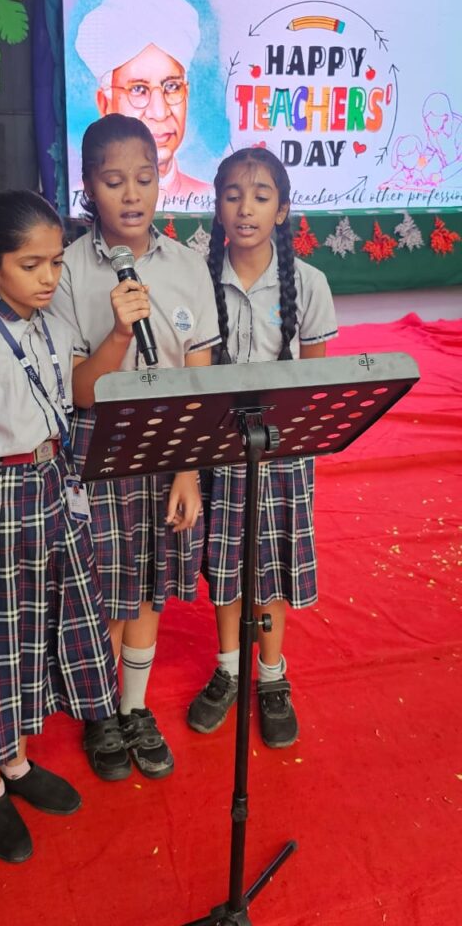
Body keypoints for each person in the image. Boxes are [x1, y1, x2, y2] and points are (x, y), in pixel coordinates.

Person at [0, 190, 118, 863]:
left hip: (51, 485)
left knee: (36, 627)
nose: (48, 278)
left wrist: (121, 334)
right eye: (31, 264)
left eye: (56, 262)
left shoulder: (52, 327)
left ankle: (16, 762)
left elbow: (79, 389)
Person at [49, 113, 221, 781]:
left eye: (144, 179)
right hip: (98, 446)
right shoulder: (67, 270)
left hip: (168, 442)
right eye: (114, 181)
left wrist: (188, 470)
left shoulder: (187, 266)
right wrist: (119, 334)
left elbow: (197, 378)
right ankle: (98, 711)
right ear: (88, 187)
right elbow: (77, 390)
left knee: (148, 586)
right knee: (101, 590)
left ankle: (133, 706)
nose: (131, 194)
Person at [187, 148, 338, 748]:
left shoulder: (310, 284)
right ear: (217, 205)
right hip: (219, 450)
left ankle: (272, 676)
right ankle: (228, 669)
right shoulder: (198, 280)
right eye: (232, 195)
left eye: (260, 196)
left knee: (272, 563)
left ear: (282, 209)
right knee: (226, 565)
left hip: (283, 453)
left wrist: (286, 438)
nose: (245, 208)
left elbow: (315, 383)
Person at [75, 0, 212, 211]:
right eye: (139, 89)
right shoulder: (78, 198)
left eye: (172, 86)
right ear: (105, 104)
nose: (159, 113)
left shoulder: (210, 196)